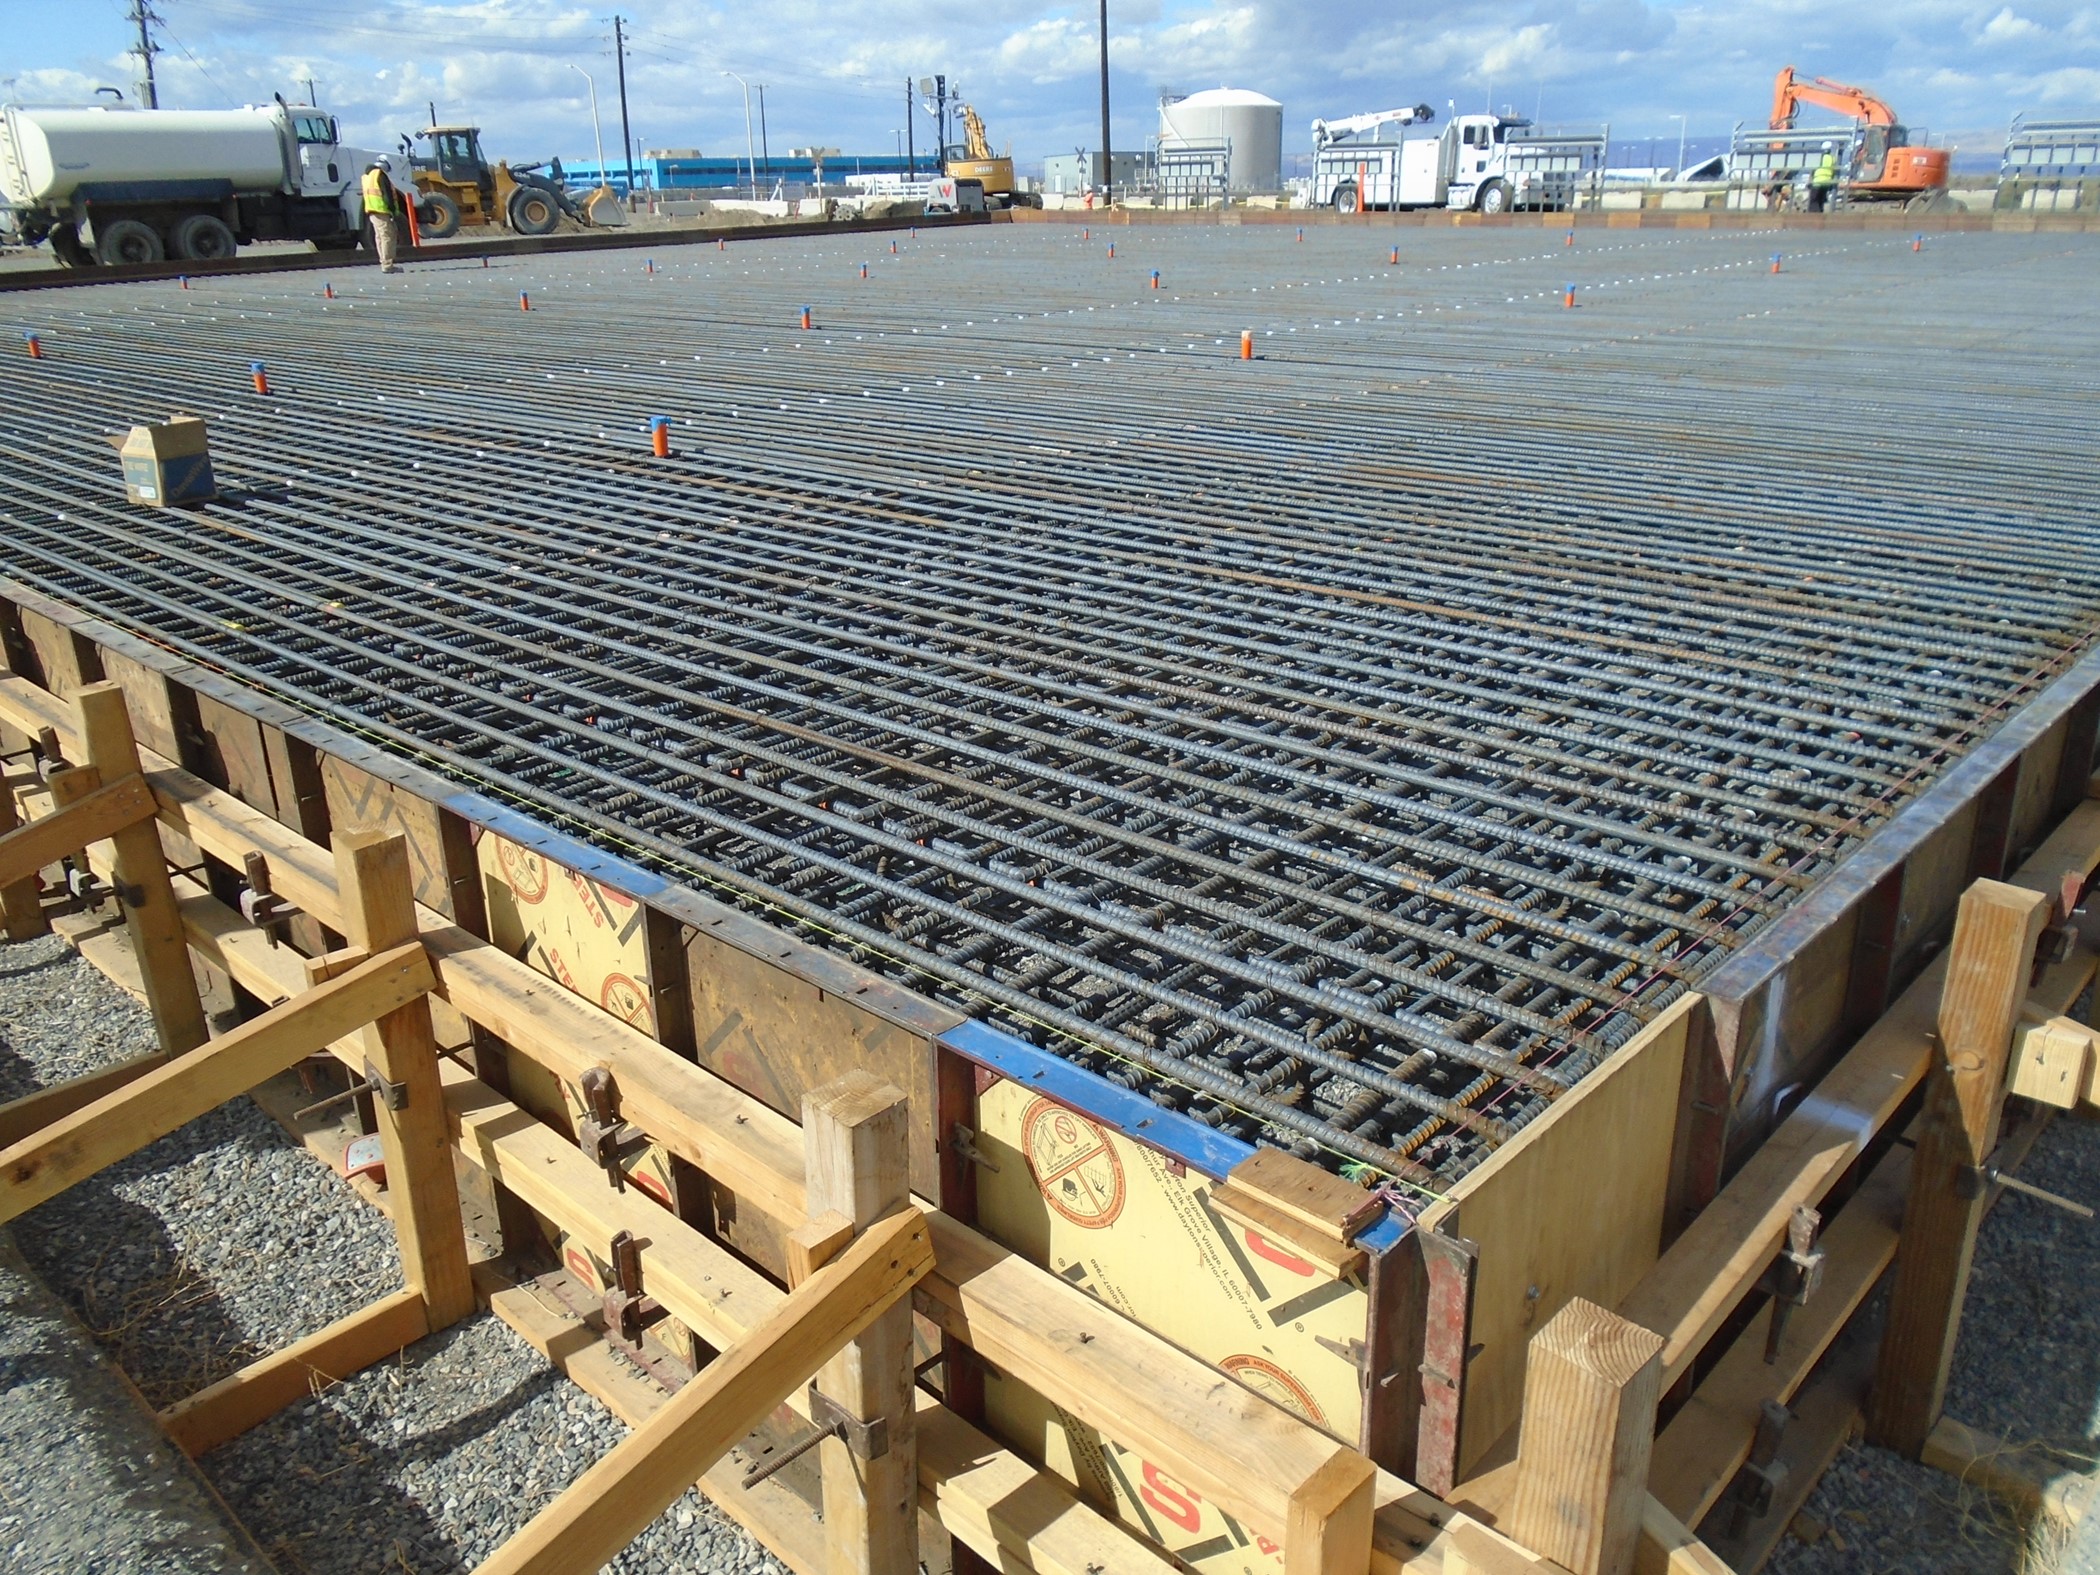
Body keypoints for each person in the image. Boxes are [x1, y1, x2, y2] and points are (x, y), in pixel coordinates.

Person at [361, 160, 404, 272]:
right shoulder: (379, 175)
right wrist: (393, 211)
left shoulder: (367, 177)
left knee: (380, 237)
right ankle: (388, 265)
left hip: (372, 211)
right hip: (382, 211)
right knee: (387, 237)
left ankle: (384, 262)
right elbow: (387, 195)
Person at [1807, 140, 1838, 213]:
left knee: (1813, 201)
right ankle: (1820, 217)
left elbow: (1813, 170)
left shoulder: (1818, 157)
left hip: (1817, 181)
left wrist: (1809, 181)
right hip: (1827, 182)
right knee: (1821, 201)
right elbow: (1833, 171)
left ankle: (1814, 217)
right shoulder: (1832, 158)